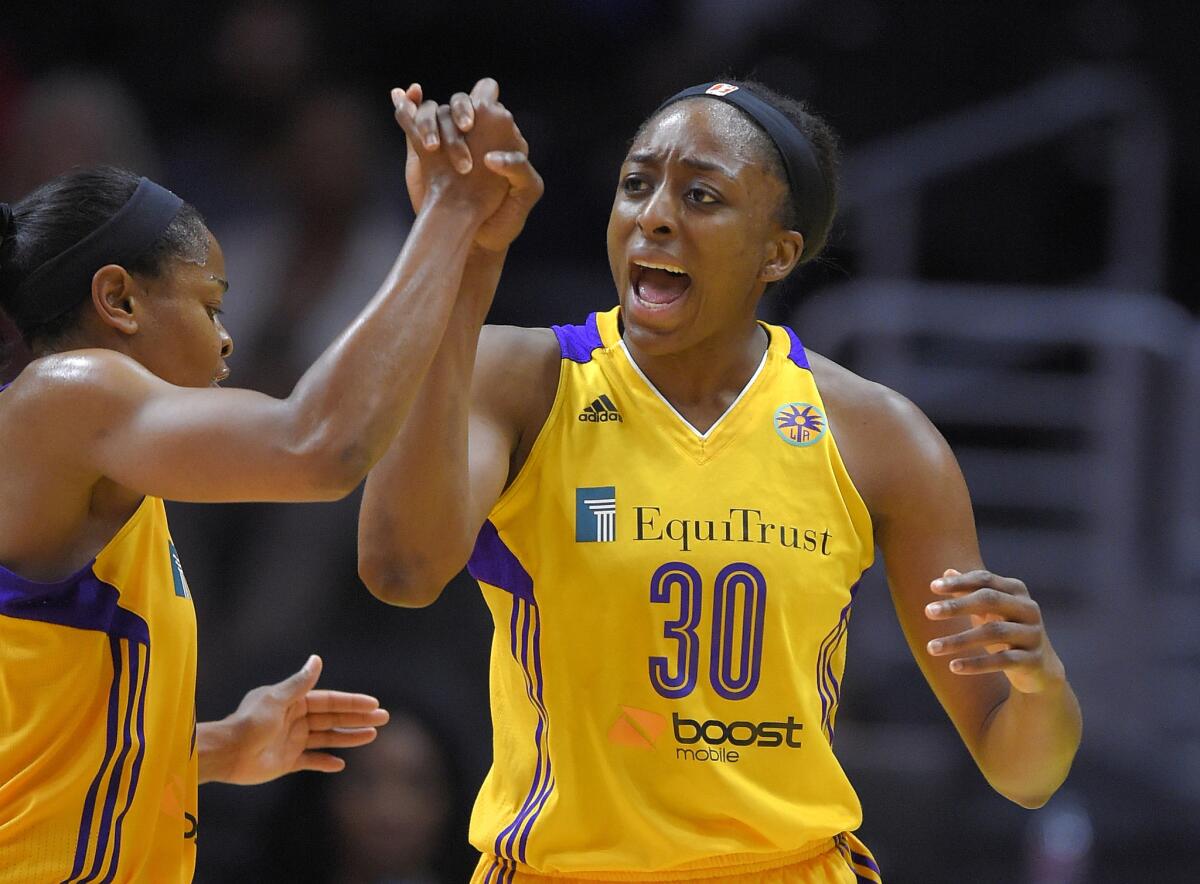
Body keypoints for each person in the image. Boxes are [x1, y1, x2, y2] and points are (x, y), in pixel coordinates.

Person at [358, 78, 1082, 884]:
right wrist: (463, 249)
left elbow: (1026, 772)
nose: (654, 215)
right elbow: (400, 572)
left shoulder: (879, 437)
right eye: (637, 184)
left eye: (701, 194)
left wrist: (1039, 679)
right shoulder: (525, 382)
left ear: (779, 251)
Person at [0, 80, 536, 882]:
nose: (225, 343)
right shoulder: (66, 393)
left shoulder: (101, 475)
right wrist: (448, 215)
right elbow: (319, 445)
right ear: (117, 299)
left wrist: (218, 746)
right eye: (210, 304)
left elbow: (39, 754)